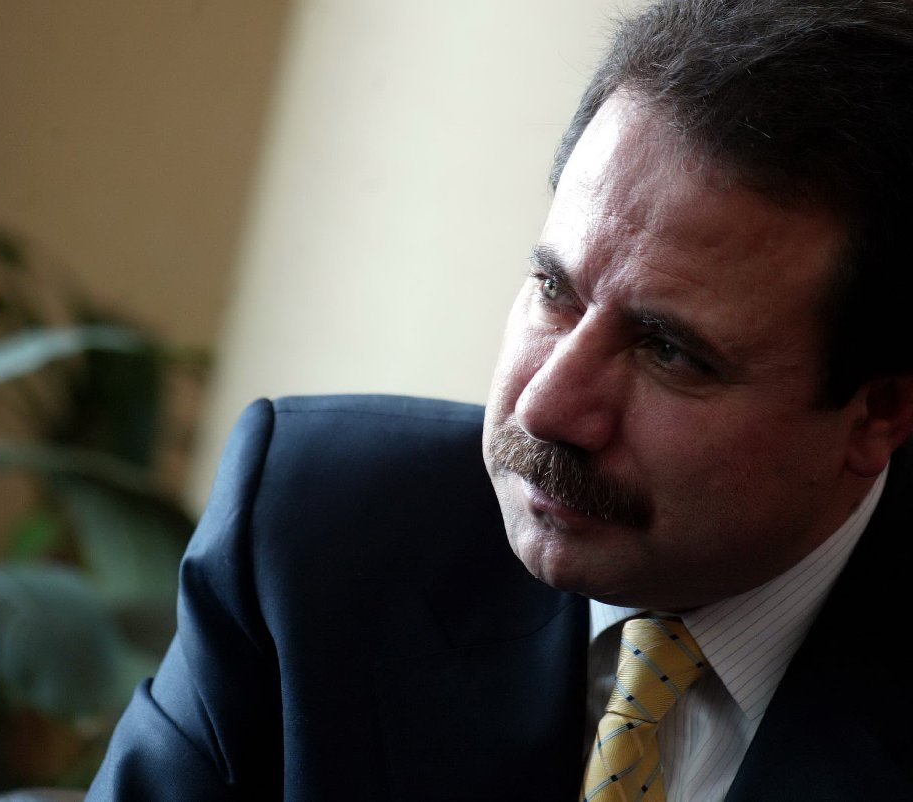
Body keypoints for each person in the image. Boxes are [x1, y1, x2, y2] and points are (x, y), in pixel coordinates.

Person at [85, 0, 913, 799]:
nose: (546, 408)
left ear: (877, 414)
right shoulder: (319, 537)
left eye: (669, 351)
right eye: (554, 289)